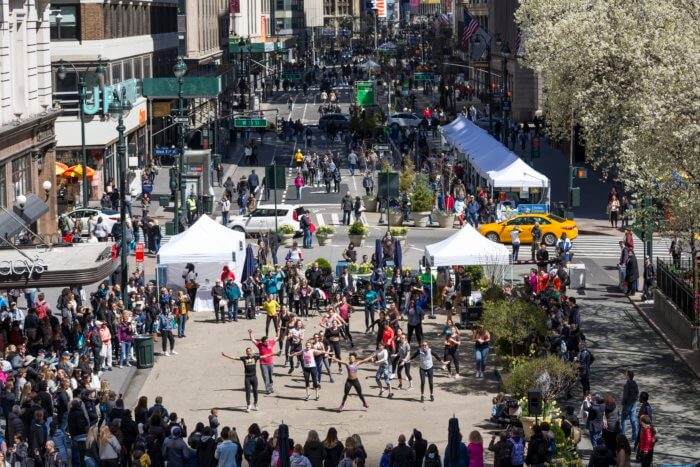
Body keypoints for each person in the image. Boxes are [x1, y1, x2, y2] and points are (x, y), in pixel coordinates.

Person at [221, 348, 262, 412]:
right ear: (246, 353)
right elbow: (234, 358)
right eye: (247, 351)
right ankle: (248, 405)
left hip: (254, 377)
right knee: (248, 392)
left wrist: (273, 354)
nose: (249, 352)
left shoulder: (255, 357)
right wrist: (225, 355)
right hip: (247, 378)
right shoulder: (244, 358)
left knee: (255, 391)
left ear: (252, 352)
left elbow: (265, 356)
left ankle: (255, 403)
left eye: (250, 351)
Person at [248, 330, 279, 394]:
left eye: (267, 341)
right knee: (265, 376)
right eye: (266, 341)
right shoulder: (260, 345)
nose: (267, 342)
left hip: (270, 363)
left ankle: (270, 387)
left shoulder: (271, 343)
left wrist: (278, 330)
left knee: (270, 376)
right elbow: (253, 340)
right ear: (263, 342)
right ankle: (268, 389)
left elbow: (277, 337)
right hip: (263, 364)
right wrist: (250, 333)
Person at [620, 370, 639, 442]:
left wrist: (623, 402)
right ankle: (634, 436)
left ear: (628, 376)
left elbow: (625, 396)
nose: (625, 376)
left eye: (626, 375)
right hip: (633, 404)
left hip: (627, 404)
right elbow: (637, 393)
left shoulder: (626, 385)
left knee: (623, 419)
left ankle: (622, 435)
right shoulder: (635, 384)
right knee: (633, 420)